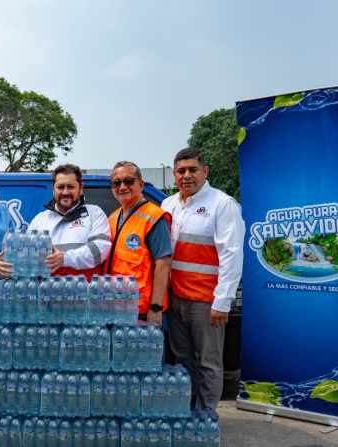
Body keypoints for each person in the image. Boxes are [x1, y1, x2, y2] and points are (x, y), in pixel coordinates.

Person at [161, 148, 245, 411]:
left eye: (192, 170)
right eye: (181, 171)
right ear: (174, 175)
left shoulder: (222, 204)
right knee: (183, 360)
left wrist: (223, 301)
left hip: (206, 303)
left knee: (208, 362)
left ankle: (206, 418)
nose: (186, 176)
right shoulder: (168, 204)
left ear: (205, 171)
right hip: (177, 299)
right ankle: (188, 413)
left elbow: (232, 255)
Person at [102, 161, 172, 324]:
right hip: (117, 309)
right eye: (117, 183)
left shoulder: (153, 217)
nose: (122, 186)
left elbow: (163, 264)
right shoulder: (113, 218)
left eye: (128, 181)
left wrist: (155, 307)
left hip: (142, 312)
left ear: (140, 184)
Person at [27, 164, 111, 278]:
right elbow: (27, 256)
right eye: (60, 187)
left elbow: (99, 250)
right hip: (47, 292)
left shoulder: (94, 213)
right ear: (53, 189)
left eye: (70, 187)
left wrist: (65, 258)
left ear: (81, 189)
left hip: (85, 291)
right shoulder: (40, 219)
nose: (65, 192)